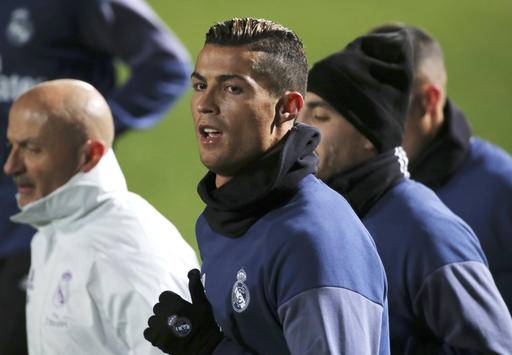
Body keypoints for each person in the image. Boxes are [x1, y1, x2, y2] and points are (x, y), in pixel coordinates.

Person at [144, 17, 390, 355]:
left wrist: (209, 350)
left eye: (233, 88)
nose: (206, 103)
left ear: (288, 108)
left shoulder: (314, 241)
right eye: (200, 85)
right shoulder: (224, 217)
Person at [299, 30, 512, 353]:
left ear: (369, 135)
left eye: (320, 116)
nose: (302, 131)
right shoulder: (325, 216)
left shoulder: (427, 232)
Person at [0, 1, 190, 352]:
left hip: (27, 224)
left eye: (32, 147)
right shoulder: (50, 236)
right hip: (36, 215)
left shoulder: (126, 254)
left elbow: (166, 66)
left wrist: (89, 125)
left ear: (91, 152)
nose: (10, 163)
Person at [371, 24, 512, 314]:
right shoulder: (347, 181)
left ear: (429, 100)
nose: (369, 124)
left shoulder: (501, 189)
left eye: (386, 107)